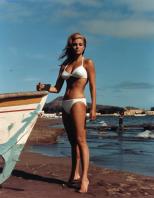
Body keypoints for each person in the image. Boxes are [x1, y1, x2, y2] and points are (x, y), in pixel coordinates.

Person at [36, 32, 96, 193]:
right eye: (75, 44)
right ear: (71, 46)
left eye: (80, 44)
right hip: (65, 103)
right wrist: (44, 87)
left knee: (81, 140)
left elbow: (92, 87)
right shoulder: (65, 66)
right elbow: (57, 88)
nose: (77, 46)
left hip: (78, 102)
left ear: (84, 46)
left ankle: (84, 179)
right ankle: (73, 175)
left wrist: (94, 107)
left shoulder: (88, 63)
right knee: (72, 142)